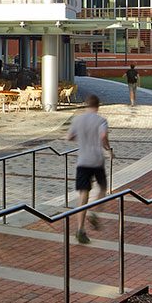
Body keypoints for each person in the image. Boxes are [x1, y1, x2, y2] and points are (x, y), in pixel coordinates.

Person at [64, 94, 112, 244]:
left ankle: (80, 229)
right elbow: (103, 136)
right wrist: (108, 149)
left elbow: (69, 137)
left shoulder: (77, 119)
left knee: (83, 194)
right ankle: (94, 212)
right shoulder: (101, 120)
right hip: (97, 160)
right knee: (103, 187)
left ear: (86, 105)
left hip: (83, 160)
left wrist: (81, 139)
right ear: (98, 106)